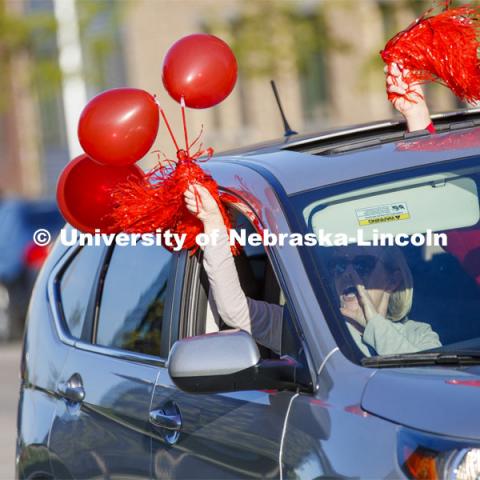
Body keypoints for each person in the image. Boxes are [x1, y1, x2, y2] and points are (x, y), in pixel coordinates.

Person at [182, 63, 442, 357]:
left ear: (394, 279)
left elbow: (418, 375)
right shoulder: (307, 329)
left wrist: (419, 122)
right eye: (338, 266)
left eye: (363, 265)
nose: (349, 275)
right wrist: (214, 224)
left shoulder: (419, 334)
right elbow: (233, 309)